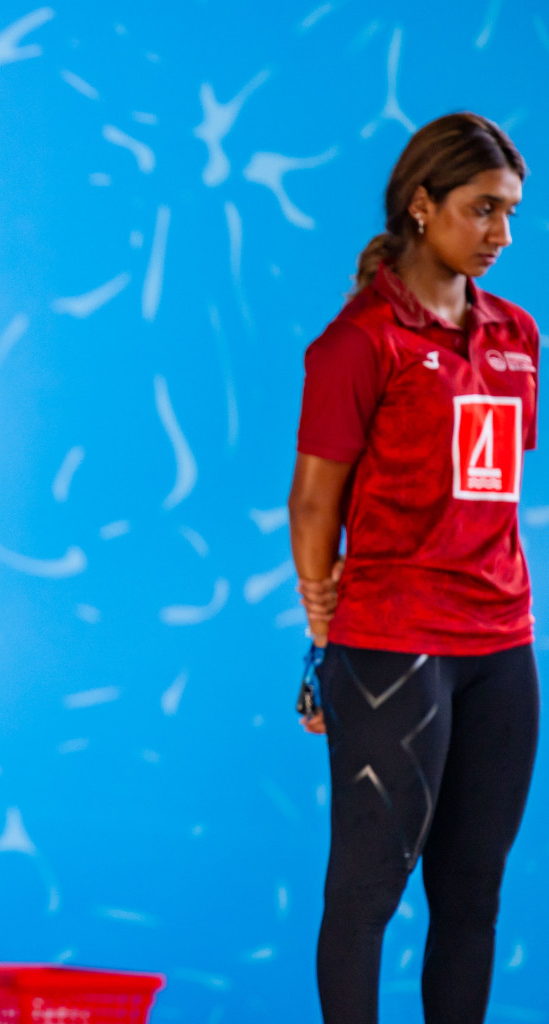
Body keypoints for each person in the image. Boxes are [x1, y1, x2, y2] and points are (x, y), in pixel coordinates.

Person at [289, 113, 536, 1024]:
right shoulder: (359, 342)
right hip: (392, 645)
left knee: (472, 898)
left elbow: (490, 494)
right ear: (423, 208)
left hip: (503, 646)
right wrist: (326, 641)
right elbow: (314, 505)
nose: (503, 234)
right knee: (366, 898)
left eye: (511, 213)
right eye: (483, 210)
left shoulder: (517, 337)